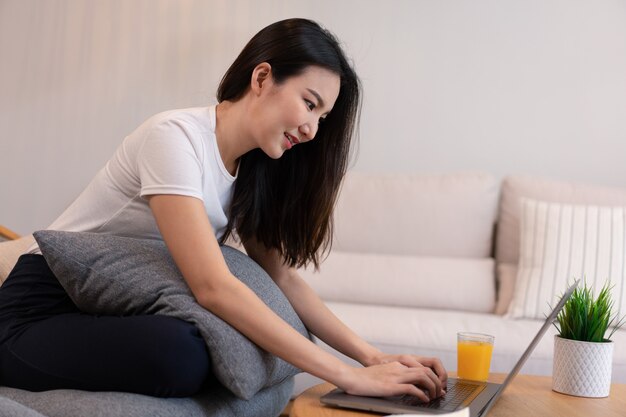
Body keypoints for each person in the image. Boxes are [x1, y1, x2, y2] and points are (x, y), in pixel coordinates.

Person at [0, 18, 447, 402]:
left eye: (323, 117)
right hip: (38, 311)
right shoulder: (173, 138)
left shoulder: (255, 169)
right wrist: (347, 376)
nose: (312, 129)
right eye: (310, 104)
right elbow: (212, 287)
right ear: (261, 78)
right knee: (181, 355)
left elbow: (284, 278)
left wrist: (373, 356)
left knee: (199, 346)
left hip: (115, 308)